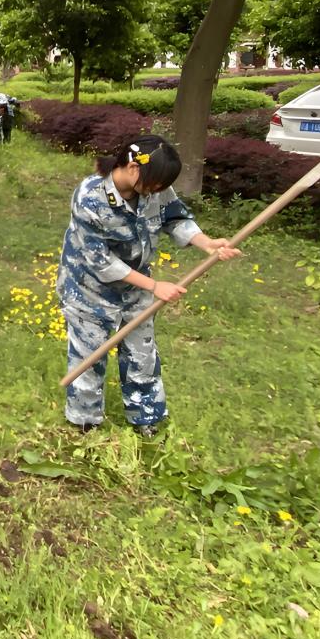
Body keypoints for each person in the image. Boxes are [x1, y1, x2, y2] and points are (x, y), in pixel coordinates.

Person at [57, 136, 242, 436]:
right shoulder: (90, 197)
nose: (157, 191)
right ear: (132, 167)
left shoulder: (154, 186)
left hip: (136, 284)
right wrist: (155, 286)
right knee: (89, 355)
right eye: (155, 184)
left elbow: (176, 218)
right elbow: (101, 261)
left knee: (142, 354)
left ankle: (146, 419)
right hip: (88, 287)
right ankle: (85, 423)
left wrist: (207, 244)